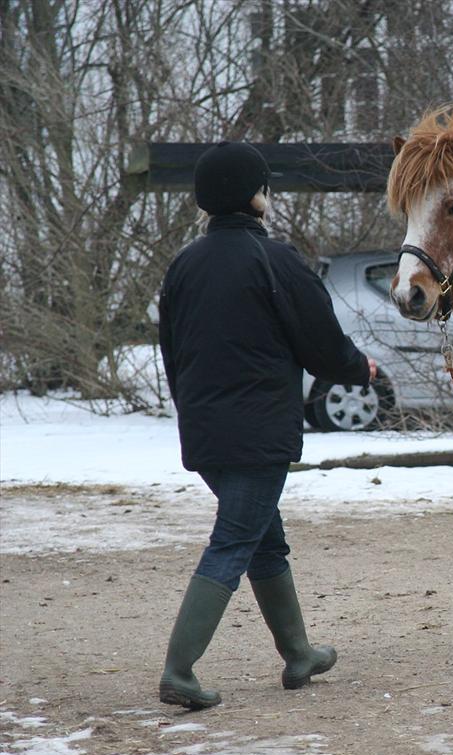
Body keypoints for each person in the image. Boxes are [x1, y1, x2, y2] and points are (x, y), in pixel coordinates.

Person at [156, 141, 374, 710]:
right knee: (234, 541)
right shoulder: (275, 260)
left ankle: (299, 653)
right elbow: (322, 344)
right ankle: (179, 670)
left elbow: (171, 353)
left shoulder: (183, 266)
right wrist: (360, 369)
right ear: (256, 195)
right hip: (258, 434)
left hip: (206, 433)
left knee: (263, 541)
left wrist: (195, 416)